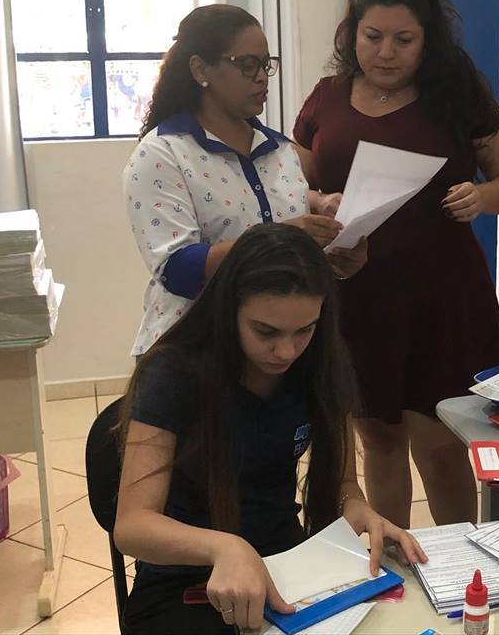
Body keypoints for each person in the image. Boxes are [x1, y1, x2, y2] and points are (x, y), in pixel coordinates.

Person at [292, 0, 499, 528]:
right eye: (372, 36)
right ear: (352, 34)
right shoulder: (328, 96)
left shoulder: (457, 95)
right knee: (378, 439)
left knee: (441, 446)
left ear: (427, 41)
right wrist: (317, 201)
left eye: (404, 39)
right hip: (357, 293)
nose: (386, 53)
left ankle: (459, 562)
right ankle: (392, 558)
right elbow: (291, 183)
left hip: (442, 297)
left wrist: (483, 196)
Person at [113, 223, 426, 634]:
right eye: (266, 332)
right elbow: (133, 525)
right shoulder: (172, 373)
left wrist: (359, 508)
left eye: (305, 330)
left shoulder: (319, 362)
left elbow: (343, 483)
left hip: (287, 566)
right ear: (228, 311)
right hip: (185, 579)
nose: (286, 351)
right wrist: (225, 547)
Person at [123, 3, 366, 357]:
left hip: (282, 352)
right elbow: (179, 270)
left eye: (266, 64)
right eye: (247, 64)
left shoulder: (278, 149)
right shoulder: (163, 154)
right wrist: (279, 238)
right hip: (197, 351)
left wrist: (336, 255)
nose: (262, 77)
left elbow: (290, 252)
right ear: (200, 69)